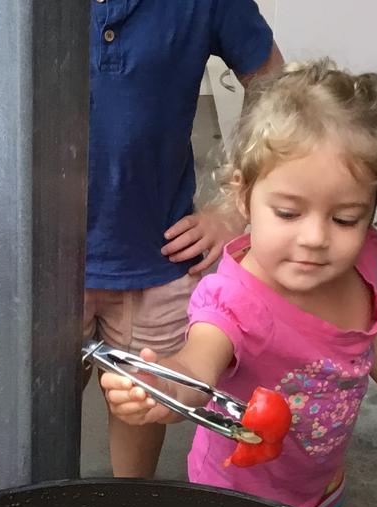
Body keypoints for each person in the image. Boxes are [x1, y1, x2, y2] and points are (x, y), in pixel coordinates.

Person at [101, 60, 377, 507]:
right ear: (244, 197)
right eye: (289, 213)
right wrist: (159, 386)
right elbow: (195, 367)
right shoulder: (234, 302)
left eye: (344, 217)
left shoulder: (359, 256)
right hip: (239, 501)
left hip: (324, 484)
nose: (316, 238)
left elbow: (367, 330)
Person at [85, 0, 283, 478]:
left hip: (158, 254)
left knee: (143, 400)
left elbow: (275, 86)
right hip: (37, 259)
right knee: (29, 419)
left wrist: (232, 204)